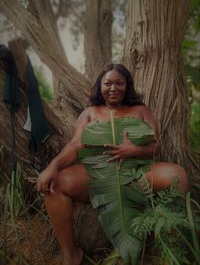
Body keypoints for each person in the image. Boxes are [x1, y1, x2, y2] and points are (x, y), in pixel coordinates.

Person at [36, 64, 189, 265]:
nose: (113, 88)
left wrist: (133, 150)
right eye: (108, 83)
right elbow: (75, 145)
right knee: (54, 185)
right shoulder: (90, 113)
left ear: (127, 86)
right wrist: (53, 166)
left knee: (177, 174)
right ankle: (70, 254)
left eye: (120, 83)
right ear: (100, 87)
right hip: (96, 173)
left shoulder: (140, 110)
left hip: (137, 172)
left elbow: (155, 146)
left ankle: (173, 245)